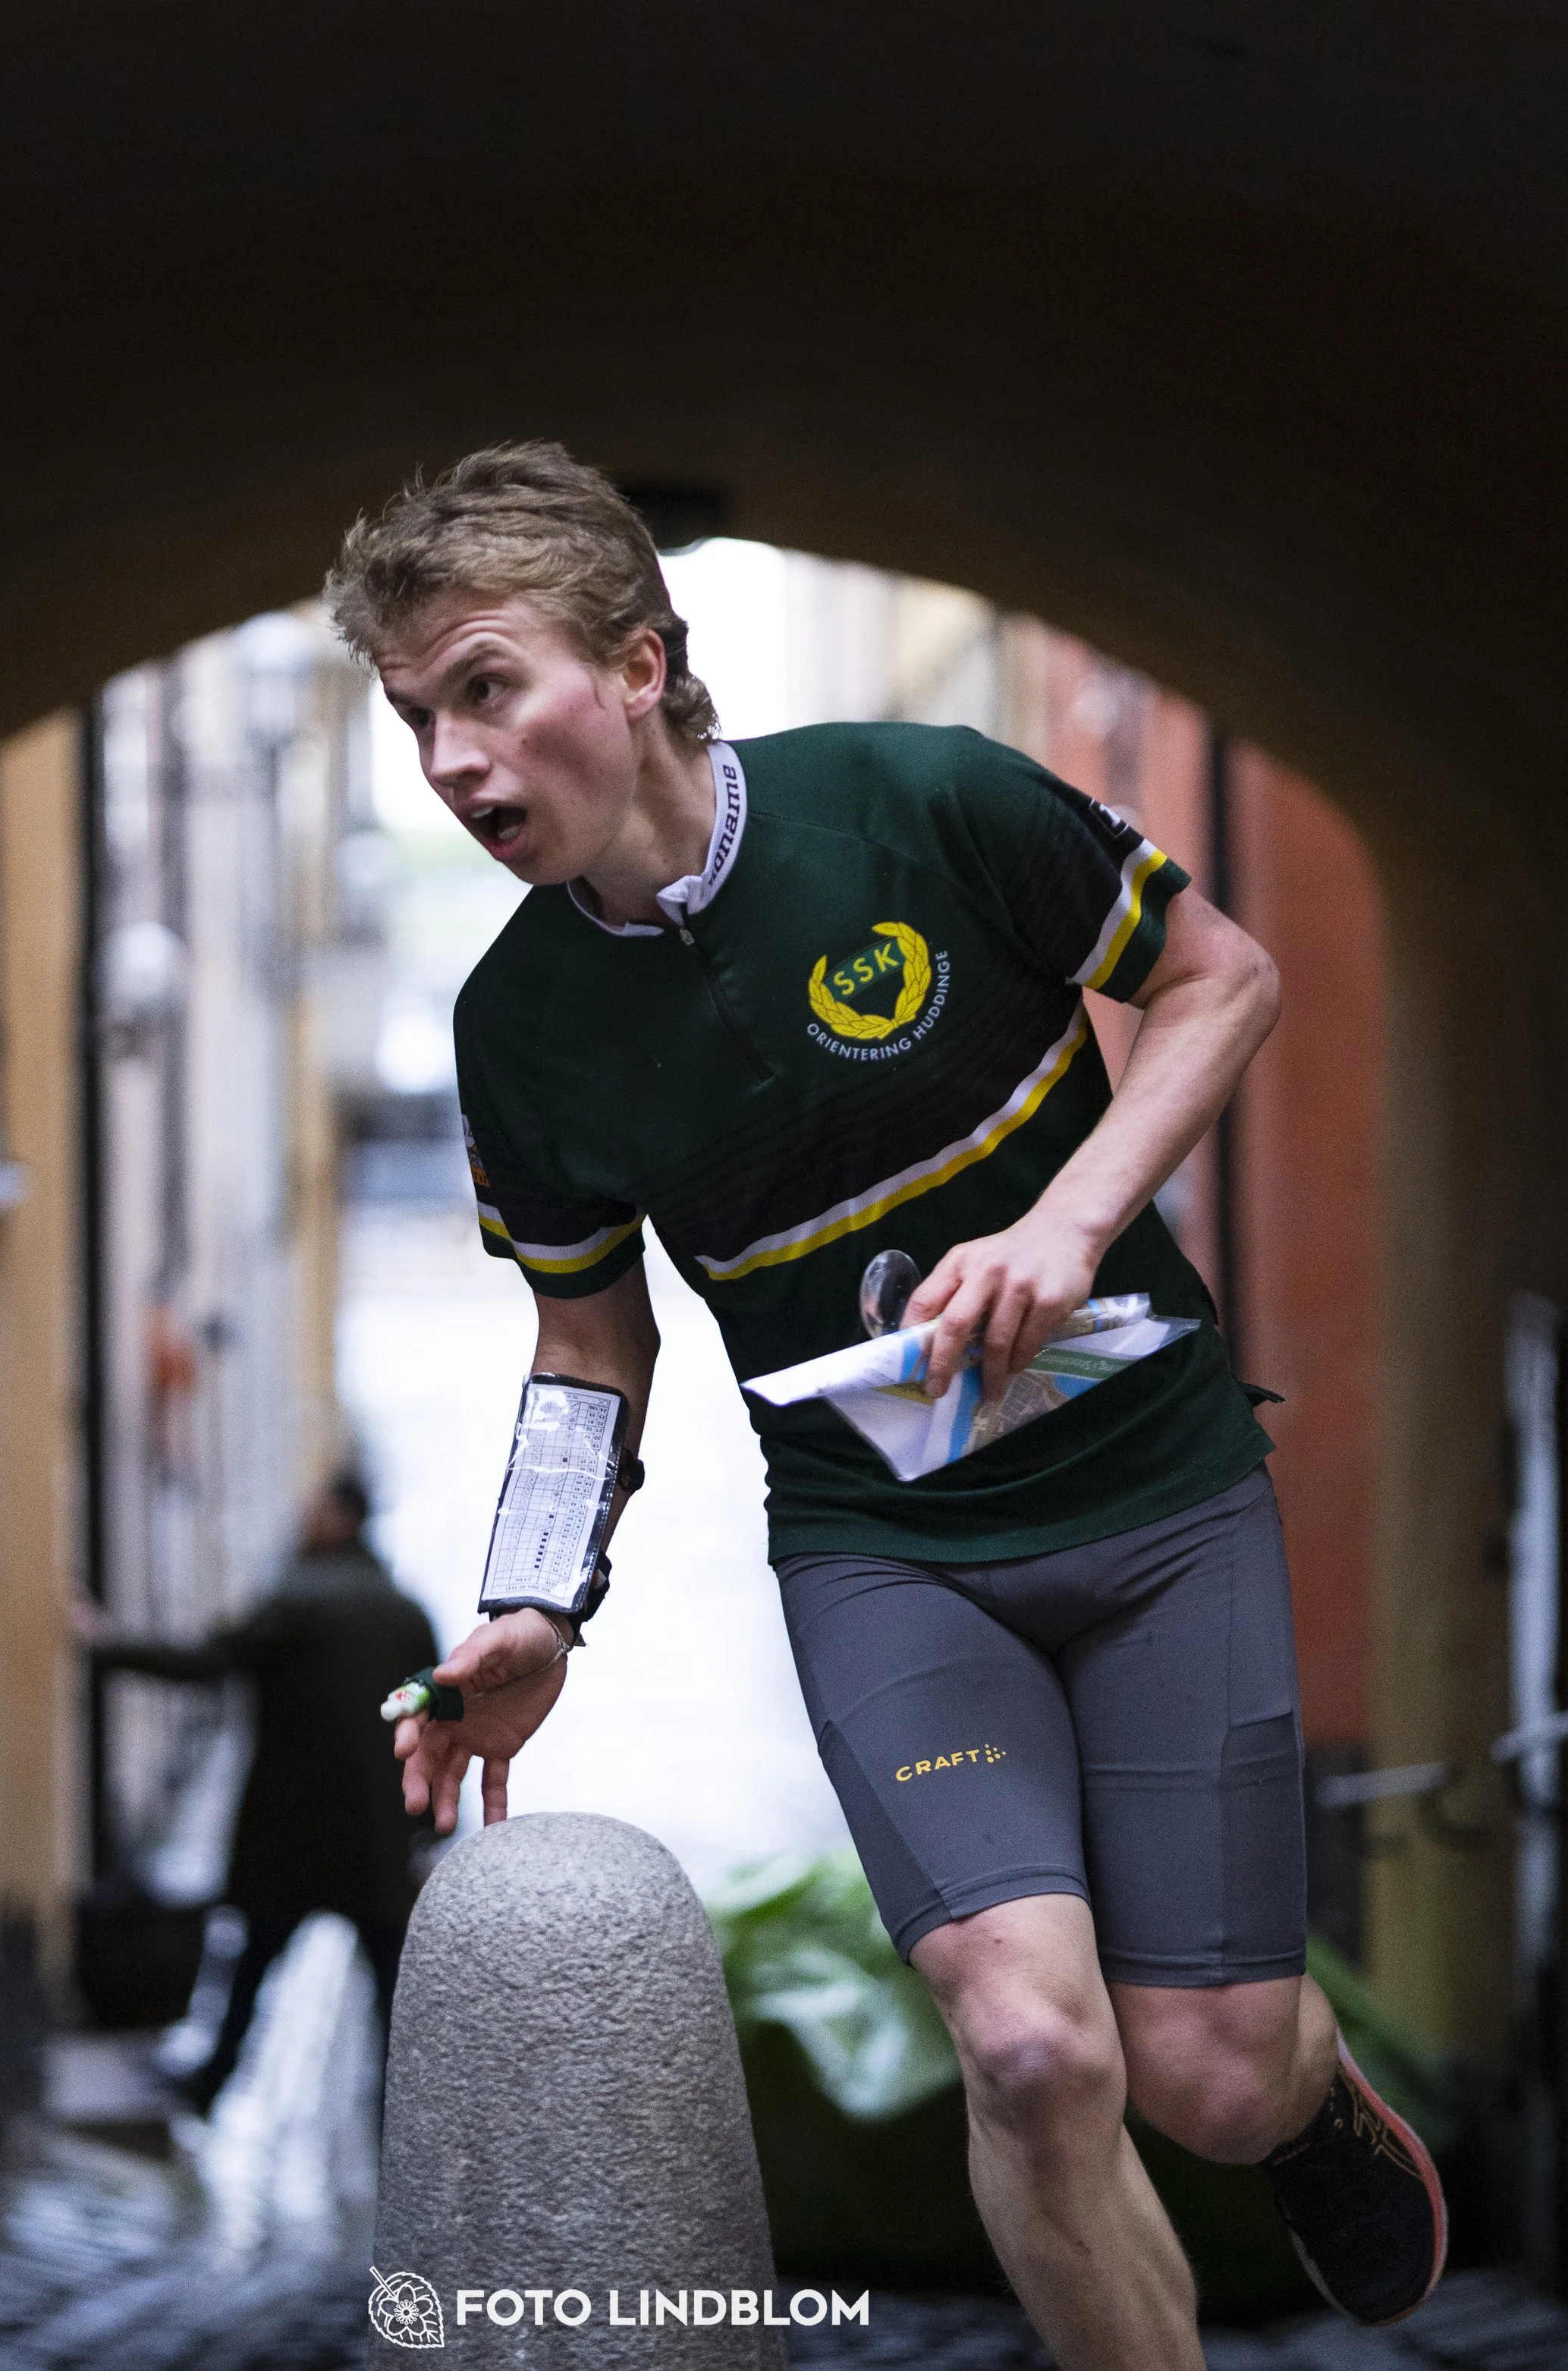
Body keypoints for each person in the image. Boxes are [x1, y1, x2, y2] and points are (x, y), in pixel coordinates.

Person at [322, 443, 1448, 2369]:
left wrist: (1073, 1223)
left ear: (645, 662)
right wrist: (534, 1604)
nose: (448, 759)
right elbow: (591, 1347)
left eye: (486, 688)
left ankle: (1306, 2095)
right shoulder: (513, 1027)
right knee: (1025, 2043)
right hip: (888, 1549)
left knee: (1208, 2078)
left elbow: (1222, 976)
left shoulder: (919, 804)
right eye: (415, 714)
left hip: (1156, 1491)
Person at [87, 1473, 437, 2108]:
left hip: (295, 1833)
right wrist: (434, 1826)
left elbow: (207, 1664)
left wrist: (107, 1645)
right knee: (392, 1986)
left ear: (339, 1516)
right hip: (378, 1837)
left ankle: (212, 2082)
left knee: (252, 1966)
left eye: (313, 1509)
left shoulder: (297, 1601)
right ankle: (405, 2111)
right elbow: (437, 1717)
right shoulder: (407, 1613)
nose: (304, 1520)